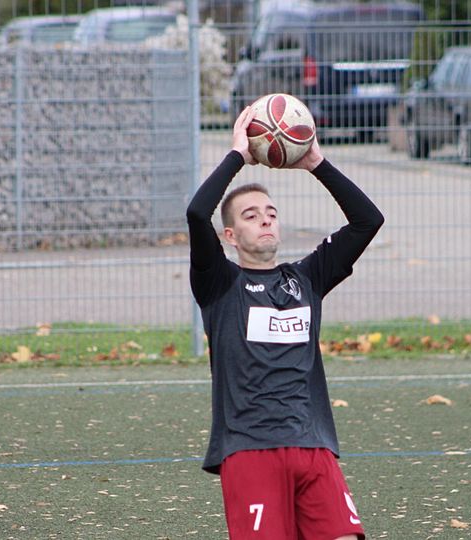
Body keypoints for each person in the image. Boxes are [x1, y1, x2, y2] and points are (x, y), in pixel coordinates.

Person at [186, 106, 384, 539]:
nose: (265, 219)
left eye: (271, 212)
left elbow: (368, 221)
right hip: (250, 451)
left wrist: (316, 162)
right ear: (230, 236)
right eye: (251, 215)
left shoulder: (308, 278)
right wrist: (238, 155)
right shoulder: (220, 283)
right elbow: (198, 214)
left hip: (313, 446)